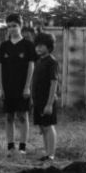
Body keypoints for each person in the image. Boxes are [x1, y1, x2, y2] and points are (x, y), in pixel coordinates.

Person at [0, 14, 37, 156]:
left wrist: (27, 86)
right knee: (9, 117)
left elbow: (31, 66)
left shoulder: (28, 45)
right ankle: (10, 146)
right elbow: (0, 67)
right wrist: (1, 88)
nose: (12, 29)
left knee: (23, 116)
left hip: (22, 87)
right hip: (8, 87)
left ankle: (22, 147)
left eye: (14, 26)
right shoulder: (4, 46)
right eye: (9, 26)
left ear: (21, 26)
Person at [32, 32, 60, 161]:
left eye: (41, 45)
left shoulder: (52, 62)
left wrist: (49, 104)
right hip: (37, 99)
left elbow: (54, 82)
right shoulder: (38, 61)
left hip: (47, 99)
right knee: (42, 128)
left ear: (49, 46)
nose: (38, 48)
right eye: (36, 45)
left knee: (48, 126)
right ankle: (46, 153)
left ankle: (51, 155)